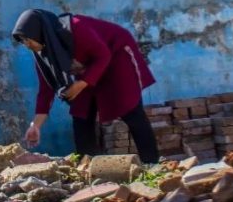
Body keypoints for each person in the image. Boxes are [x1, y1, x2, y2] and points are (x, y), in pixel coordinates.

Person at [13, 9, 160, 163]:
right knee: (81, 113)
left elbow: (103, 55)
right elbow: (46, 88)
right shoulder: (44, 53)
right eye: (23, 42)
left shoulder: (76, 28)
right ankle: (88, 164)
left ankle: (151, 163)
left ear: (38, 31)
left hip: (116, 55)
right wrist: (35, 125)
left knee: (130, 109)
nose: (26, 45)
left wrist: (80, 85)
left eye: (28, 39)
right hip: (87, 68)